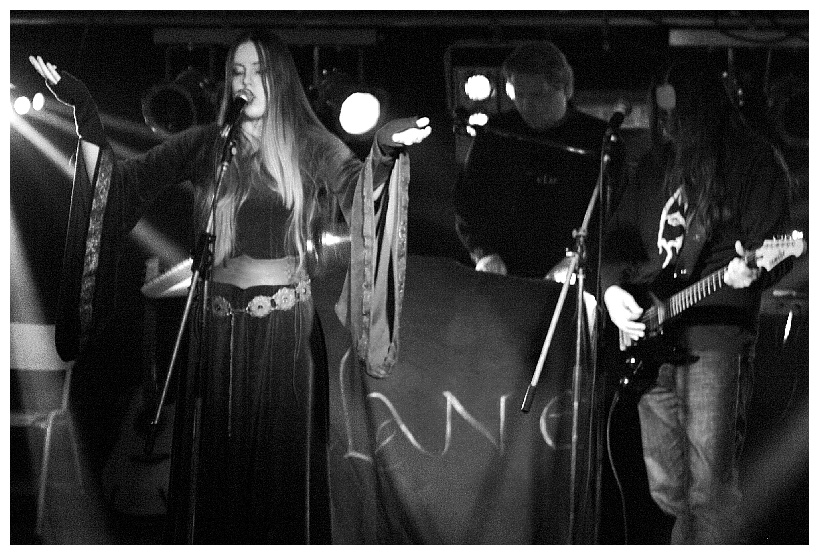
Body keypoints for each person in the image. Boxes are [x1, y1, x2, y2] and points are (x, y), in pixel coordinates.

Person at [30, 30, 431, 544]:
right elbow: (121, 186)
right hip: (217, 333)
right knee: (216, 470)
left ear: (280, 80)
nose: (246, 82)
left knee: (276, 471)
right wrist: (85, 115)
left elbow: (359, 191)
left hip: (284, 336)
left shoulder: (308, 144)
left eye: (259, 71)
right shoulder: (207, 146)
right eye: (237, 72)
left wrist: (384, 152)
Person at [600, 56, 792, 544]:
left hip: (715, 338)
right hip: (650, 335)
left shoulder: (751, 161)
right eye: (660, 107)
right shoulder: (654, 165)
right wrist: (612, 291)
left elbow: (773, 245)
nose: (666, 119)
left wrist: (756, 270)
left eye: (676, 107)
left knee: (709, 489)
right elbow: (616, 241)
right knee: (668, 489)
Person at [453, 40, 620, 282]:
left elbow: (615, 217)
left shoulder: (598, 140)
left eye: (537, 95)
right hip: (504, 275)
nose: (527, 105)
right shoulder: (495, 134)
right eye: (519, 95)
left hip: (574, 276)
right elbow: (467, 203)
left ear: (565, 89)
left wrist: (578, 258)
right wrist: (483, 253)